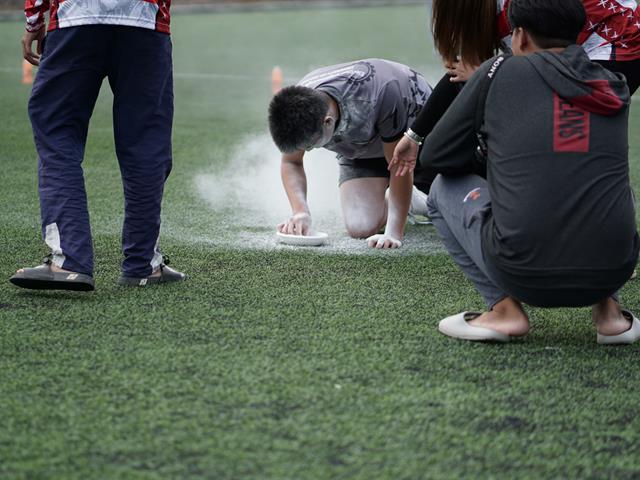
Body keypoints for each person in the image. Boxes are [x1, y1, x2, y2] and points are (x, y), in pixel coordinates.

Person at [422, 0, 640, 344]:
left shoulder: (497, 71)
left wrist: (494, 157)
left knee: (441, 189)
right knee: (600, 177)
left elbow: (435, 156)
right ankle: (610, 316)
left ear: (520, 36)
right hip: (614, 268)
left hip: (524, 274)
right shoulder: (614, 82)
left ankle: (504, 310)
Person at [11, 0, 185, 291]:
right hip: (145, 20)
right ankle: (144, 264)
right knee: (145, 144)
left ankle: (69, 262)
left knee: (58, 135)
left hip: (75, 17)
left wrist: (34, 21)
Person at [390, 0, 640, 178]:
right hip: (592, 43)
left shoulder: (515, 11)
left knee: (561, 130)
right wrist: (414, 135)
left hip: (619, 46)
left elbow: (536, 78)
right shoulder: (496, 13)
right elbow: (459, 73)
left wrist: (485, 76)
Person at [268, 59, 432, 249]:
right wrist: (300, 212)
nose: (308, 149)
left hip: (416, 137)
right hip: (363, 146)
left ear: (328, 122)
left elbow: (399, 163)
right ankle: (411, 200)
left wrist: (394, 233)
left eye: (311, 145)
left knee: (444, 199)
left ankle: (420, 194)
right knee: (360, 227)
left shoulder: (379, 95)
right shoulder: (298, 107)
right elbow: (291, 163)